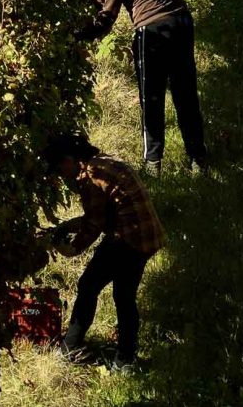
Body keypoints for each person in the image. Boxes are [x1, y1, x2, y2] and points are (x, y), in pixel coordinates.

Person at [78, 0, 207, 171]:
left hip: (153, 31)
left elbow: (107, 18)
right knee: (186, 95)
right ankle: (199, 161)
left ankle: (152, 163)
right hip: (181, 23)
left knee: (152, 98)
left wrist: (77, 35)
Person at [42, 130, 163, 370]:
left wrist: (71, 248)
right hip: (146, 235)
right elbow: (103, 214)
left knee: (89, 286)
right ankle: (125, 358)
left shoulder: (90, 178)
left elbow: (94, 225)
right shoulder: (103, 163)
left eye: (59, 169)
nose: (61, 175)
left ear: (69, 160)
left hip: (128, 239)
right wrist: (67, 225)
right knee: (124, 296)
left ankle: (70, 348)